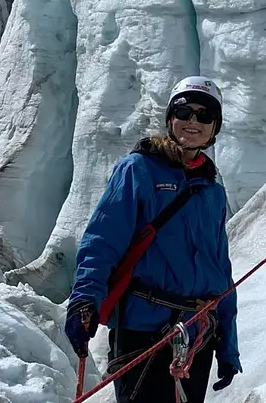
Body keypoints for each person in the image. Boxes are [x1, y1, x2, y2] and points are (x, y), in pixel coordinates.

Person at [64, 76, 240, 403]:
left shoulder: (212, 191)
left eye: (204, 116)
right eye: (184, 112)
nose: (193, 121)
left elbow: (220, 269)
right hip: (142, 331)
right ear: (170, 119)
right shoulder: (139, 170)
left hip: (197, 332)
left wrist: (228, 342)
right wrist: (84, 299)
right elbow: (103, 239)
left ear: (215, 128)